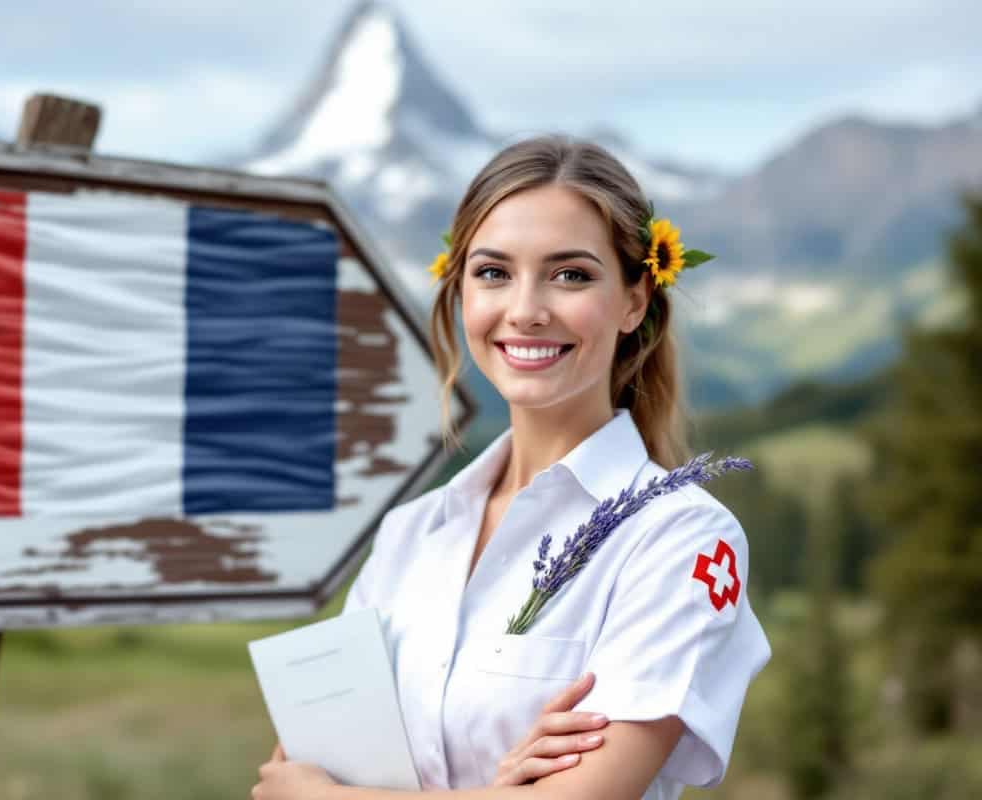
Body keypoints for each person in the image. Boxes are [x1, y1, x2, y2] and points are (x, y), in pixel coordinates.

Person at [252, 136, 771, 800]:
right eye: (494, 272)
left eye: (571, 275)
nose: (525, 310)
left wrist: (330, 799)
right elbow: (290, 773)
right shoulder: (411, 535)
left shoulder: (679, 539)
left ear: (635, 300)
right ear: (461, 289)